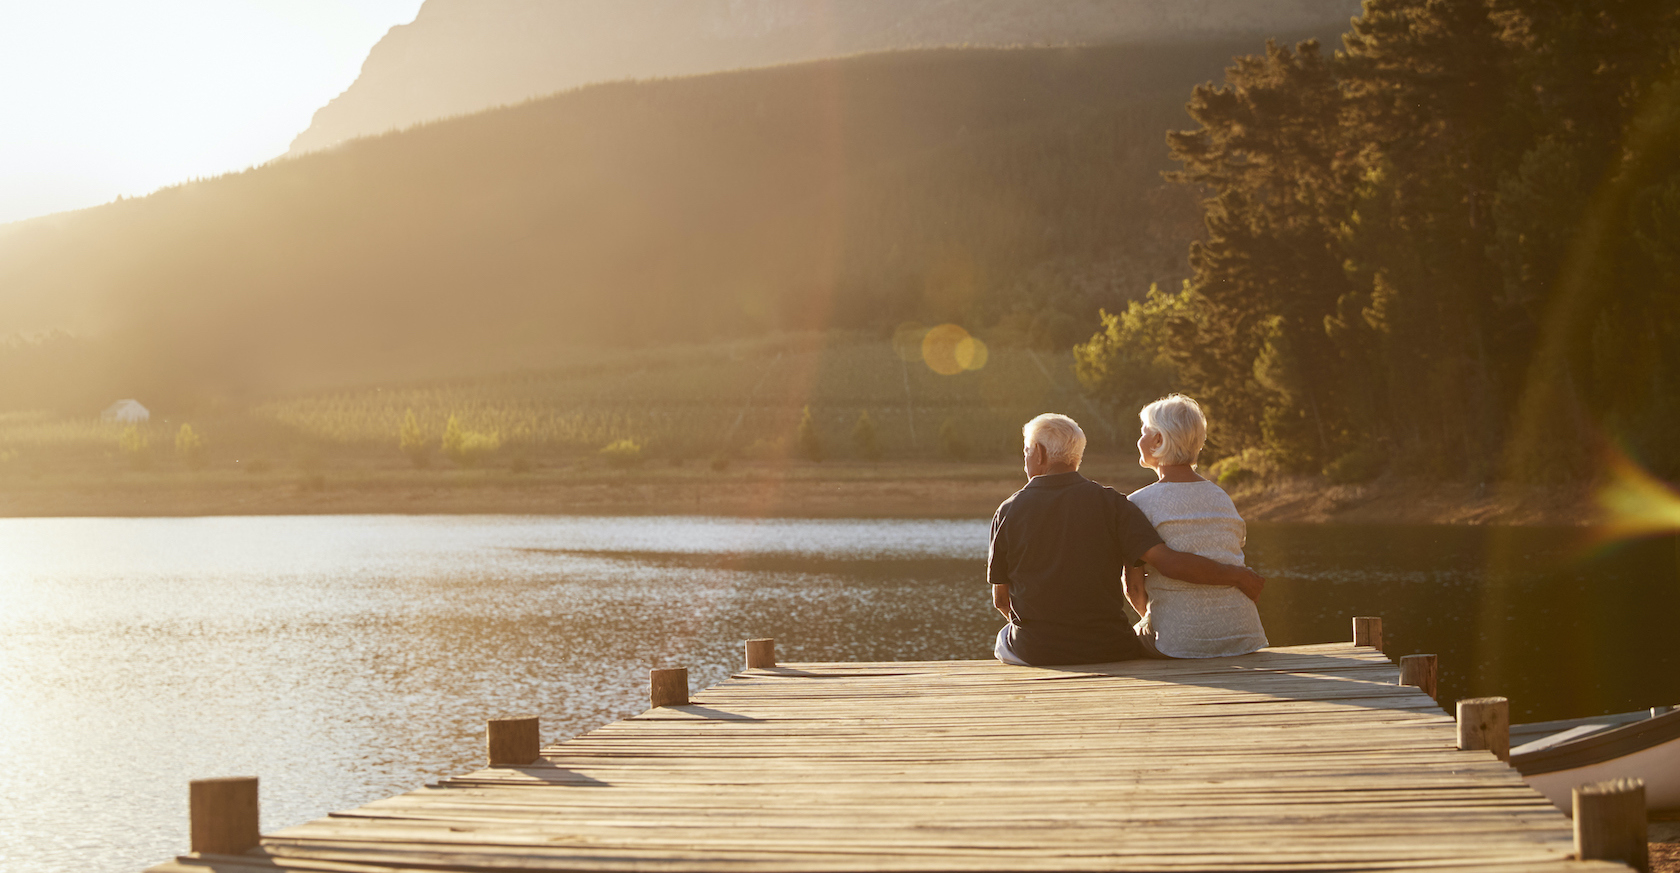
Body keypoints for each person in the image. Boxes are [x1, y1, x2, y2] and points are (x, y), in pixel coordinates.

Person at [989, 413, 1263, 666]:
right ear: (1076, 456)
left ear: (1038, 453)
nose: (1025, 458)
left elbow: (1001, 600)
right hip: (1109, 647)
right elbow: (1161, 564)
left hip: (1037, 650)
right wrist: (1236, 575)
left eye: (1026, 451)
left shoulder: (1008, 511)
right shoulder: (1114, 504)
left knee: (1003, 638)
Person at [1126, 394, 1268, 658]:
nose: (1139, 440)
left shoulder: (1137, 503)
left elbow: (1133, 588)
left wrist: (1153, 620)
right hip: (1243, 636)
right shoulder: (1221, 497)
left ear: (1158, 440)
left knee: (1128, 639)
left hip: (1179, 643)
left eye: (1144, 432)